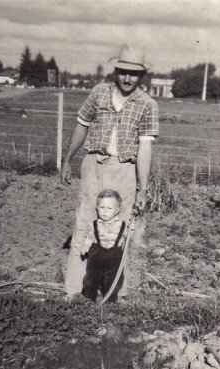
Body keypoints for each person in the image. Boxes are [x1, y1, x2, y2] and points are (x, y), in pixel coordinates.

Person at [61, 44, 159, 299]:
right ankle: (74, 291)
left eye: (134, 74)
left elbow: (145, 149)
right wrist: (67, 160)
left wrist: (142, 189)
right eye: (123, 71)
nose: (127, 78)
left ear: (141, 76)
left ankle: (115, 293)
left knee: (120, 229)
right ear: (116, 71)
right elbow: (81, 126)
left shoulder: (146, 104)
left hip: (124, 169)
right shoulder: (99, 93)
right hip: (94, 165)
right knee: (84, 222)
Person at [81, 190, 127, 302]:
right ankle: (89, 297)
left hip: (114, 255)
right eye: (102, 208)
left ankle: (110, 298)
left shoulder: (123, 225)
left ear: (117, 211)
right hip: (97, 255)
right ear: (97, 208)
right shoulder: (94, 224)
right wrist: (85, 246)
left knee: (113, 279)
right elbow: (90, 237)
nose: (105, 212)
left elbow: (129, 237)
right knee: (91, 277)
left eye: (109, 208)